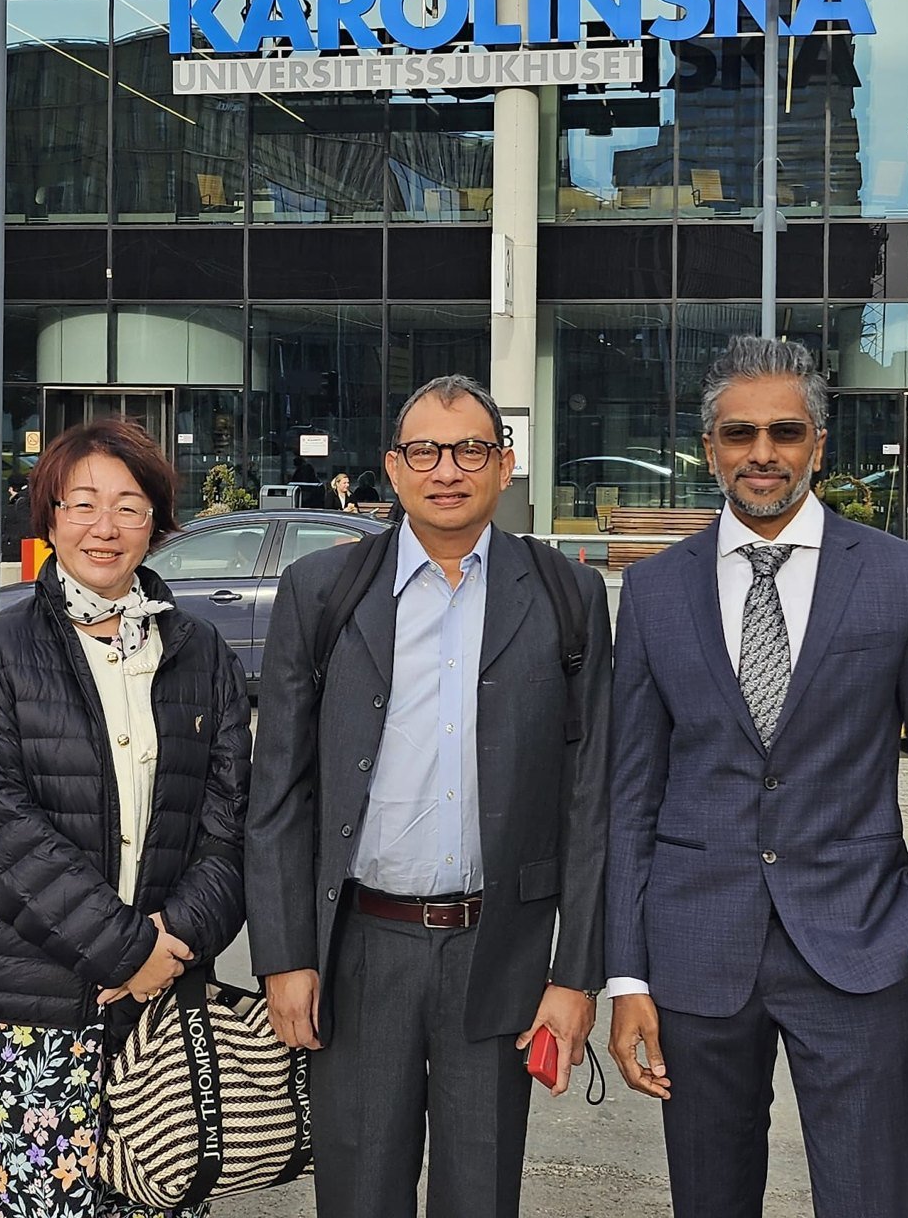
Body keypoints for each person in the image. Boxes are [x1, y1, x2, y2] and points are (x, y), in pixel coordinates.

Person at [606, 335, 908, 1218]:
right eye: (739, 435)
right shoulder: (657, 592)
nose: (762, 453)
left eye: (785, 432)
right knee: (710, 1198)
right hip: (695, 950)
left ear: (818, 442)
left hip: (860, 944)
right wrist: (626, 977)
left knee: (873, 1196)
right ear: (710, 450)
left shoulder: (903, 578)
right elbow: (631, 796)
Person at [249, 373, 612, 1218]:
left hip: (502, 954)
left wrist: (575, 976)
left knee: (480, 1196)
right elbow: (279, 791)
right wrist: (284, 954)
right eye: (425, 450)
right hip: (361, 949)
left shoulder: (567, 595)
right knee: (359, 1194)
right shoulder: (322, 591)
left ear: (504, 463)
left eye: (471, 449)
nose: (447, 469)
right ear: (393, 466)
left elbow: (592, 799)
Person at [0, 417, 251, 1217]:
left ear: (157, 521)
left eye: (128, 505)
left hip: (164, 1000)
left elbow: (230, 826)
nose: (103, 528)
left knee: (163, 1200)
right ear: (48, 519)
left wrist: (172, 945)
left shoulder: (202, 652)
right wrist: (124, 950)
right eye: (81, 504)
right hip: (27, 1008)